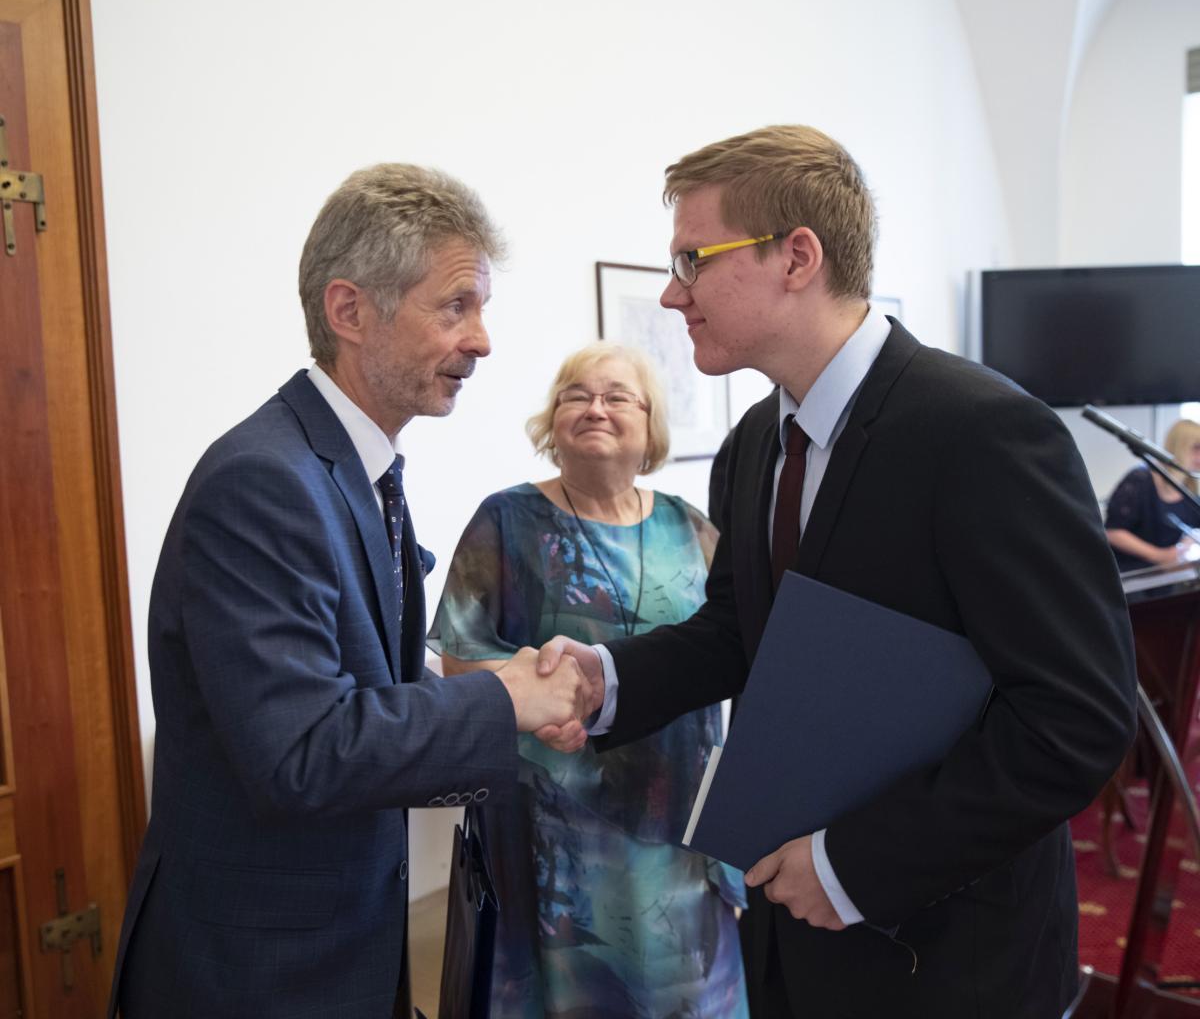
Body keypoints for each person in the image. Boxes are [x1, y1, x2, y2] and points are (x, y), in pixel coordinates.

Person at [537, 125, 1137, 1018]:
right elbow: (747, 634)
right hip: (791, 942)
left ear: (797, 257)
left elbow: (1075, 720)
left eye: (694, 260)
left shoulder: (980, 433)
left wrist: (854, 865)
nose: (671, 293)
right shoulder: (752, 446)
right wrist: (609, 677)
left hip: (951, 956)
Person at [107, 164, 593, 1019]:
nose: (482, 341)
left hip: (345, 954)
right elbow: (302, 751)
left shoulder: (357, 471)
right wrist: (500, 701)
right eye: (455, 306)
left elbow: (366, 695)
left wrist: (493, 692)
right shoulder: (262, 482)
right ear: (348, 311)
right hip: (255, 977)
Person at [430, 343, 749, 1018]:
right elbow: (459, 660)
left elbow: (735, 650)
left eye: (615, 395)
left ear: (650, 422)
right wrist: (540, 701)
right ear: (553, 419)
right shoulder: (505, 520)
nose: (594, 407)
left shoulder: (692, 530)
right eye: (576, 394)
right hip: (551, 843)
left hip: (678, 838)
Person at [1104, 418, 1200, 570]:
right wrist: (1160, 556)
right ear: (1180, 447)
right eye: (1196, 448)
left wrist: (1189, 542)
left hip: (1168, 577)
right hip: (1134, 575)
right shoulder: (1140, 479)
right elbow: (1113, 532)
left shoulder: (1191, 484)